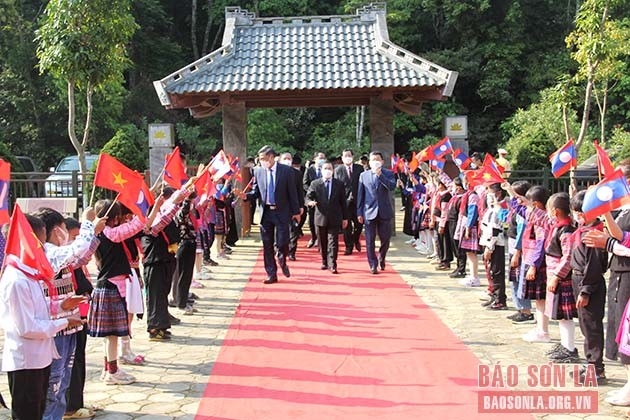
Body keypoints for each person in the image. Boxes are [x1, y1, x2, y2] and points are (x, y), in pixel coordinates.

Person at [0, 214, 85, 420]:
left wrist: (60, 306)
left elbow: (38, 307)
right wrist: (63, 321)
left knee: (38, 410)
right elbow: (28, 327)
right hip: (26, 360)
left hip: (40, 357)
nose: (44, 249)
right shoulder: (16, 279)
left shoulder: (29, 274)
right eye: (41, 242)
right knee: (28, 413)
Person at [32, 207, 104, 420]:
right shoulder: (46, 251)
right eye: (65, 228)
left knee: (62, 382)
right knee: (54, 384)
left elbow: (79, 257)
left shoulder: (56, 253)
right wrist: (88, 222)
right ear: (56, 230)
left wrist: (93, 232)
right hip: (56, 326)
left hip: (67, 323)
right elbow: (77, 249)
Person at [242, 145, 300, 284]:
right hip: (265, 212)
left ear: (271, 157)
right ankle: (271, 273)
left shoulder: (286, 171)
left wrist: (296, 211)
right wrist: (245, 196)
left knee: (282, 242)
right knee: (267, 244)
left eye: (263, 158)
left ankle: (282, 258)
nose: (261, 161)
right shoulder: (258, 171)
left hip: (281, 211)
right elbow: (256, 191)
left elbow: (292, 192)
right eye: (260, 159)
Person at [570, 190, 608, 385]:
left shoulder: (596, 235)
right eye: (576, 212)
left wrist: (585, 290)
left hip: (589, 283)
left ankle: (596, 368)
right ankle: (590, 363)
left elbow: (593, 266)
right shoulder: (582, 231)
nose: (578, 216)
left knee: (592, 326)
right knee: (585, 326)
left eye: (582, 212)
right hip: (578, 279)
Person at [356, 151, 397, 274]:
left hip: (385, 211)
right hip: (369, 212)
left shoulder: (388, 173)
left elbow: (392, 186)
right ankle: (372, 264)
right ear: (369, 162)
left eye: (377, 159)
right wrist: (359, 212)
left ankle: (382, 257)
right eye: (372, 160)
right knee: (370, 240)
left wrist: (380, 176)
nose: (375, 162)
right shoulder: (364, 175)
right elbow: (360, 196)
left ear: (382, 162)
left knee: (385, 239)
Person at [306, 161, 348, 274]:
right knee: (322, 241)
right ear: (322, 170)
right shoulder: (315, 183)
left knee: (333, 241)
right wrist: (310, 202)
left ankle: (333, 263)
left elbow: (343, 202)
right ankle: (324, 260)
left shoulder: (339, 184)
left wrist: (345, 218)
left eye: (330, 168)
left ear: (333, 170)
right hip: (320, 217)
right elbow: (308, 196)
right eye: (325, 168)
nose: (328, 170)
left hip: (335, 217)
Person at [334, 149, 364, 255]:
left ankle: (356, 239)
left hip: (358, 201)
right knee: (346, 226)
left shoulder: (359, 168)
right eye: (345, 155)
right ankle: (349, 246)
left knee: (359, 224)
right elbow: (336, 186)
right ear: (342, 158)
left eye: (349, 155)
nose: (347, 157)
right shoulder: (338, 170)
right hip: (344, 202)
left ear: (353, 157)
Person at [279, 153, 305, 261]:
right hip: (280, 206)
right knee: (281, 229)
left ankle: (292, 251)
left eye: (289, 159)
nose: (287, 160)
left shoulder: (297, 174)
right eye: (285, 158)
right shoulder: (277, 172)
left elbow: (300, 190)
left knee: (294, 228)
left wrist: (301, 205)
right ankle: (280, 248)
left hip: (294, 205)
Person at [303, 151, 327, 248]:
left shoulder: (327, 169)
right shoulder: (309, 170)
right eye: (320, 158)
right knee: (312, 220)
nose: (322, 160)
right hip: (312, 199)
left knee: (323, 220)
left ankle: (321, 239)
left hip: (324, 199)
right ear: (315, 159)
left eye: (323, 158)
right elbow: (305, 183)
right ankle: (313, 237)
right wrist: (311, 192)